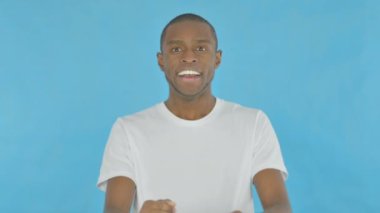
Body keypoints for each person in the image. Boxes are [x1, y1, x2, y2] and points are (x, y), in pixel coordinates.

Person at [97, 13, 291, 213]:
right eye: (176, 49)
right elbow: (114, 209)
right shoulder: (128, 130)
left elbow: (279, 205)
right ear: (161, 61)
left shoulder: (253, 123)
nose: (189, 57)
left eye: (200, 48)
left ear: (217, 59)